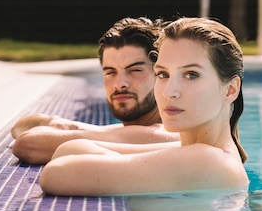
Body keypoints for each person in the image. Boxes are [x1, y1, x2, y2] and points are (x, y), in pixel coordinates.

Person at [39, 17, 249, 195]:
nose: (169, 91)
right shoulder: (197, 152)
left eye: (191, 75)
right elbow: (68, 149)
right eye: (163, 74)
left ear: (230, 90)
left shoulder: (209, 161)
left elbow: (56, 173)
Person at [11, 17, 179, 164]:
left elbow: (28, 144)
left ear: (162, 75)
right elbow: (23, 125)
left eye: (135, 70)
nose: (119, 84)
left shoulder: (164, 132)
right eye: (110, 72)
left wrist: (71, 128)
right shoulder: (130, 129)